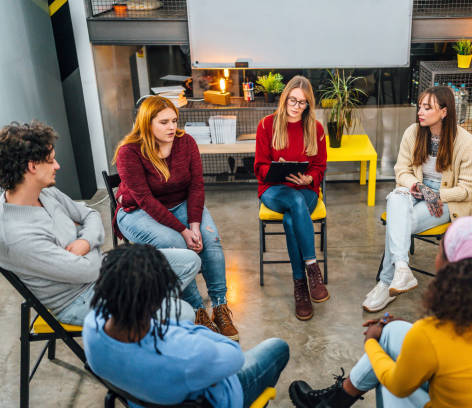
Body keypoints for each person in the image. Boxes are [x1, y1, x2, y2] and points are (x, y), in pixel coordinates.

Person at [289, 216, 472, 408]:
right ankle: (338, 398)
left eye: (441, 249)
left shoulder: (432, 335)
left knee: (386, 365)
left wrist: (372, 344)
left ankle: (335, 400)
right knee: (394, 330)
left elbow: (398, 384)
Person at [0, 121, 199, 325]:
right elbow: (87, 271)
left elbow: (91, 215)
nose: (57, 166)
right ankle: (142, 320)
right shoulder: (16, 235)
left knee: (190, 261)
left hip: (102, 271)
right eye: (51, 161)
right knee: (183, 313)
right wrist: (92, 245)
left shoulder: (46, 192)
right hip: (79, 299)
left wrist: (85, 241)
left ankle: (143, 315)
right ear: (32, 166)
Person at [83, 244, 290, 408]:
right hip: (216, 400)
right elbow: (234, 355)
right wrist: (190, 329)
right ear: (157, 303)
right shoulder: (186, 353)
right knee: (278, 347)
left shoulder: (92, 327)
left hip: (141, 397)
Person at [113, 96, 238, 340]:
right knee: (178, 245)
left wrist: (194, 225)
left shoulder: (185, 142)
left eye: (174, 120)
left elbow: (196, 186)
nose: (172, 127)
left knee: (210, 240)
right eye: (164, 122)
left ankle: (220, 307)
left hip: (180, 204)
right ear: (146, 123)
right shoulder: (128, 152)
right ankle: (197, 310)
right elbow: (145, 201)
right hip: (137, 212)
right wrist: (183, 231)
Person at [363, 86, 472, 313]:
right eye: (420, 106)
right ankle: (401, 269)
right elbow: (401, 171)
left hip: (449, 200)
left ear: (444, 112)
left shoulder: (465, 142)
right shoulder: (413, 133)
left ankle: (387, 283)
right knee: (397, 198)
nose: (420, 112)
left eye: (428, 107)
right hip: (418, 190)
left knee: (398, 223)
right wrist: (418, 187)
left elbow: (470, 188)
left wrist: (438, 195)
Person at [254, 75, 328, 321]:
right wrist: (278, 168)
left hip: (305, 190)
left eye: (302, 103)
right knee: (294, 203)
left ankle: (300, 286)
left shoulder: (315, 129)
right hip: (274, 190)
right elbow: (259, 167)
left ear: (308, 105)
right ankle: (311, 267)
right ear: (284, 98)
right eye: (292, 100)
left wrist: (309, 179)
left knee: (290, 219)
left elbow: (319, 166)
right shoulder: (267, 125)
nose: (296, 107)